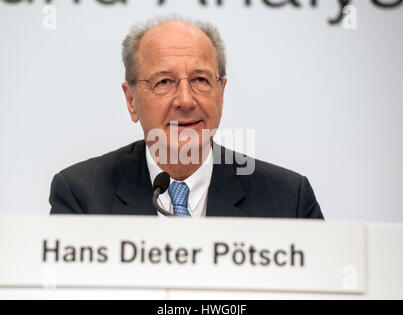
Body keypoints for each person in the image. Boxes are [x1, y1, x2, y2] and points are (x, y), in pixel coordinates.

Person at [49, 16, 324, 219]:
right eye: (165, 82)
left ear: (221, 93)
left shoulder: (289, 200)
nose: (185, 100)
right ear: (131, 101)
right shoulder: (82, 196)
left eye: (201, 80)